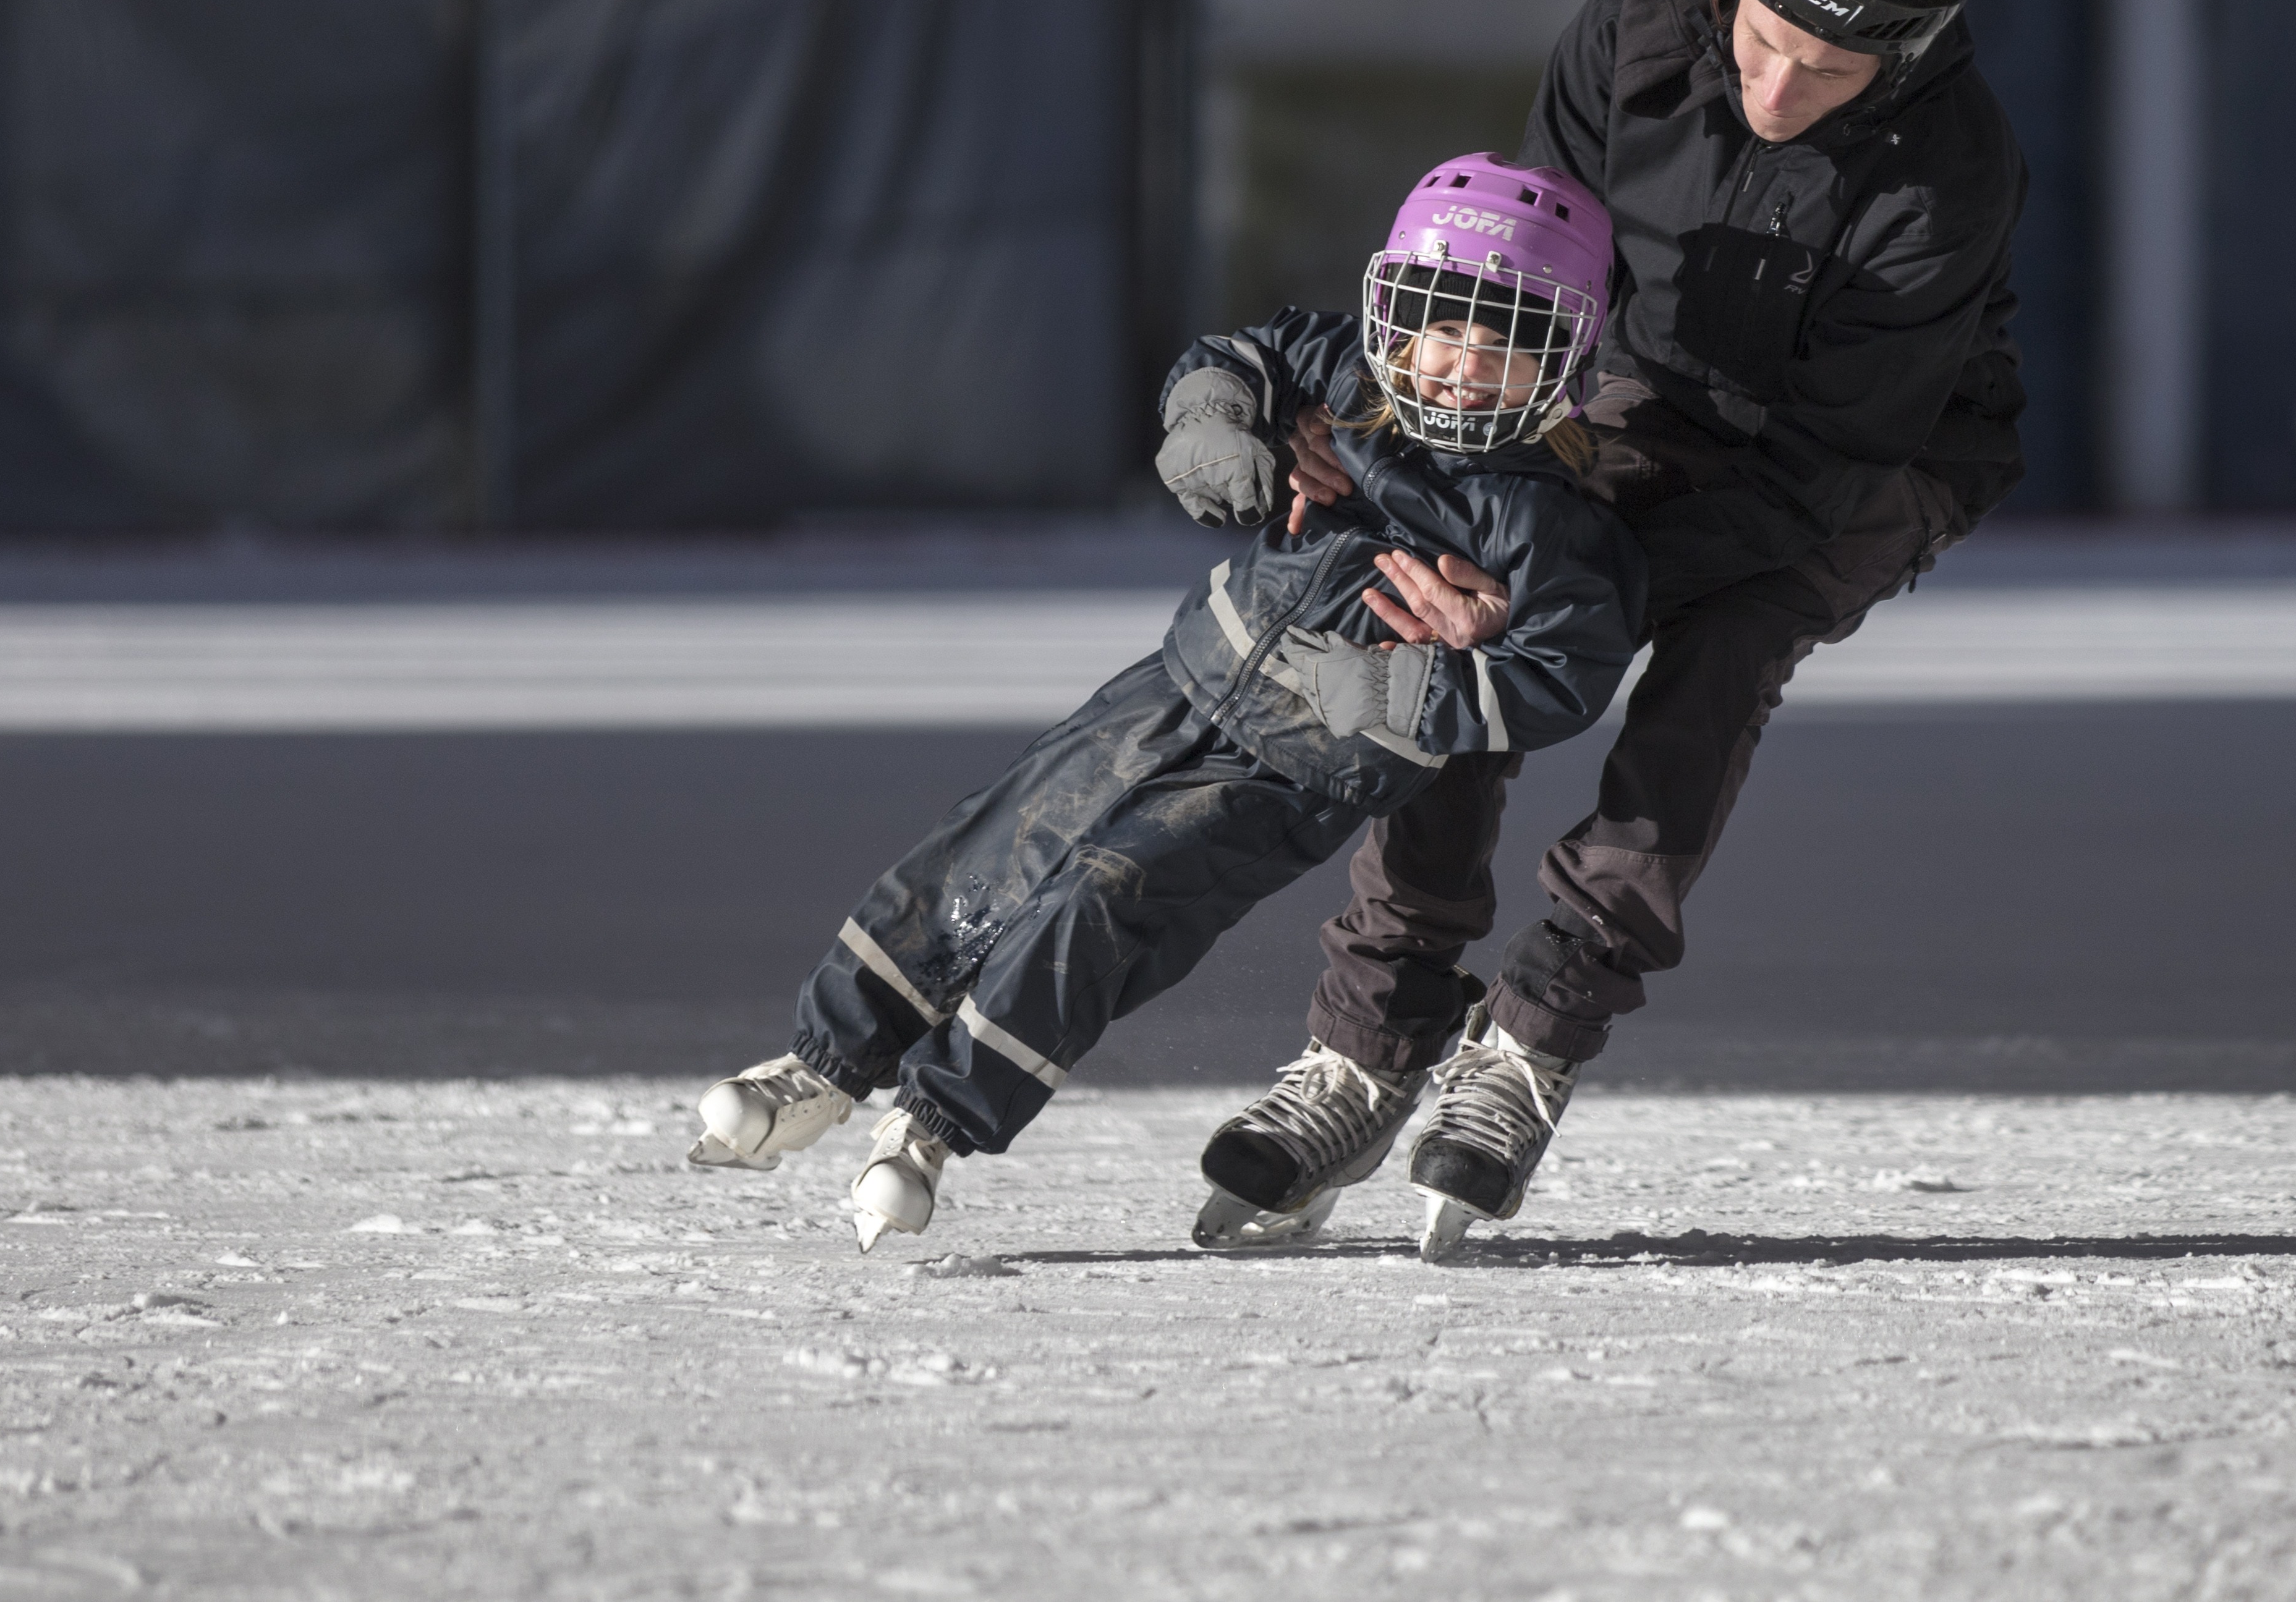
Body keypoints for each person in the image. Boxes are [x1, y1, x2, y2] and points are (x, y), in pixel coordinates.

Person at [1200, 0, 2030, 1259]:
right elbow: (1530, 289)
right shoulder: (1636, 21)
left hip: (1866, 450)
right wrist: (1486, 521)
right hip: (1624, 383)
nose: (1779, 88)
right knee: (1452, 635)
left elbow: (1822, 471)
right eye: (1765, 40)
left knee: (1722, 650)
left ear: (1903, 51)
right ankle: (1369, 1040)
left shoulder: (1948, 175)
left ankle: (1534, 1034)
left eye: (1829, 72)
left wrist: (1561, 584)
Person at [683, 158, 1648, 1253]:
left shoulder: (1544, 516)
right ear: (1397, 312)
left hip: (1302, 769)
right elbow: (1231, 359)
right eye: (1444, 327)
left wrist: (1410, 682)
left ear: (1563, 353)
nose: (1465, 366)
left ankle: (935, 1123)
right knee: (995, 845)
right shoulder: (1343, 375)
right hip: (1176, 680)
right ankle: (825, 1060)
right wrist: (1216, 433)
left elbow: (1570, 667)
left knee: (1105, 903)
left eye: (1505, 340)